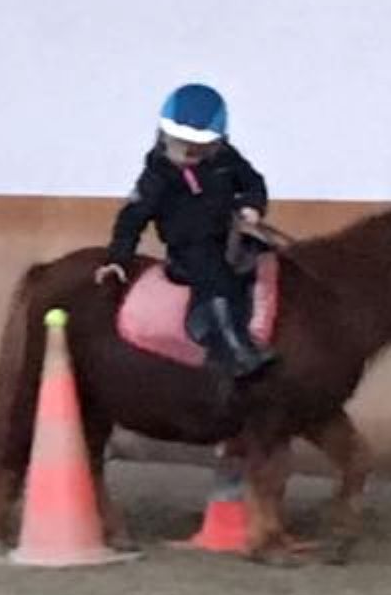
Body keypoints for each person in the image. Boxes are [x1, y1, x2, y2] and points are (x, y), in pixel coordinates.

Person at [96, 83, 275, 378]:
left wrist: (252, 206)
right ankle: (231, 349)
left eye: (200, 146)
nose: (189, 151)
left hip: (229, 234)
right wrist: (117, 258)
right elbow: (132, 218)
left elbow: (253, 183)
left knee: (264, 259)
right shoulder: (157, 175)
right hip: (189, 247)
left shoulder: (226, 160)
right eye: (180, 143)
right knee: (216, 276)